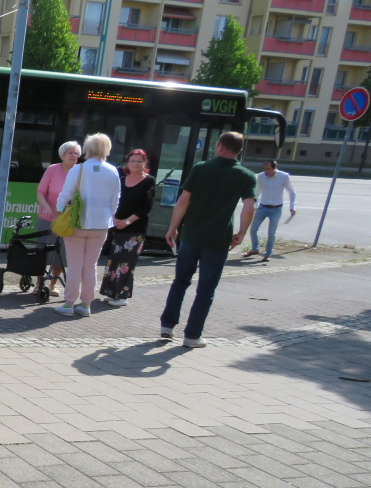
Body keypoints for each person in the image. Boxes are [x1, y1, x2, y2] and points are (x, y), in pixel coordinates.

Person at [160, 131, 257, 348]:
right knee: (206, 289)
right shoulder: (247, 176)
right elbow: (249, 207)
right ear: (239, 150)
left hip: (191, 235)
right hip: (219, 239)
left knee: (180, 282)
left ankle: (167, 325)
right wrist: (241, 234)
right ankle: (192, 336)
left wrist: (172, 228)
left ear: (220, 147)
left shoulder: (200, 168)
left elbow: (183, 201)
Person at [52, 132, 120, 317]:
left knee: (74, 265)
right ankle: (87, 305)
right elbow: (116, 199)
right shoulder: (113, 170)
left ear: (87, 149)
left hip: (77, 223)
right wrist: (110, 215)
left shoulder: (78, 169)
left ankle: (68, 304)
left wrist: (59, 213)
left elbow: (65, 195)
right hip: (101, 225)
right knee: (91, 265)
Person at [99, 149, 156, 306]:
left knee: (126, 263)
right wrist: (115, 218)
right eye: (133, 161)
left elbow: (146, 207)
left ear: (145, 163)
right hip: (117, 226)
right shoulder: (120, 178)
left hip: (135, 230)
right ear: (127, 162)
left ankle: (122, 296)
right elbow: (112, 199)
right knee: (114, 260)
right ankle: (111, 292)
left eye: (139, 161)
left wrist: (127, 221)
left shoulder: (149, 181)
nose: (135, 164)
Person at [37, 141, 80, 289]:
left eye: (76, 153)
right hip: (47, 217)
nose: (73, 156)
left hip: (67, 220)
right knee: (42, 252)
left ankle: (52, 286)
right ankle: (38, 284)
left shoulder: (80, 172)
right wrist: (46, 206)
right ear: (62, 155)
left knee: (61, 254)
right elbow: (40, 192)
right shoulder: (52, 169)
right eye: (70, 153)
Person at [243, 159, 297, 261]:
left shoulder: (283, 176)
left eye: (268, 169)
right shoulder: (261, 176)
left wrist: (292, 207)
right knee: (253, 229)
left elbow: (291, 191)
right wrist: (255, 204)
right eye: (264, 169)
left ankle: (268, 253)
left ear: (274, 168)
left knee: (271, 232)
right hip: (263, 207)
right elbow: (257, 191)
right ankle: (255, 248)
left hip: (276, 208)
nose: (266, 171)